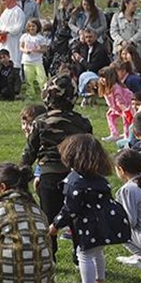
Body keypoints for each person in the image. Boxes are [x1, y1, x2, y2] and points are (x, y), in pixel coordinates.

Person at [50, 134, 131, 283]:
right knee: (97, 252)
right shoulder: (99, 178)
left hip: (89, 226)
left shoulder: (74, 182)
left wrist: (56, 225)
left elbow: (70, 209)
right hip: (104, 223)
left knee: (84, 254)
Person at [20, 74, 94, 246]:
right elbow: (89, 151)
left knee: (48, 219)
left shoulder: (40, 122)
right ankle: (80, 256)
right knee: (77, 217)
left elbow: (29, 151)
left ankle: (49, 256)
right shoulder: (82, 122)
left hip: (48, 175)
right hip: (75, 176)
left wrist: (21, 173)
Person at [0, 0, 26, 66]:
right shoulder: (6, 11)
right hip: (4, 40)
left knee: (13, 57)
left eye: (4, 0)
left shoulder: (18, 12)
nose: (3, 2)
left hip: (13, 40)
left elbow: (19, 27)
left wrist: (7, 32)